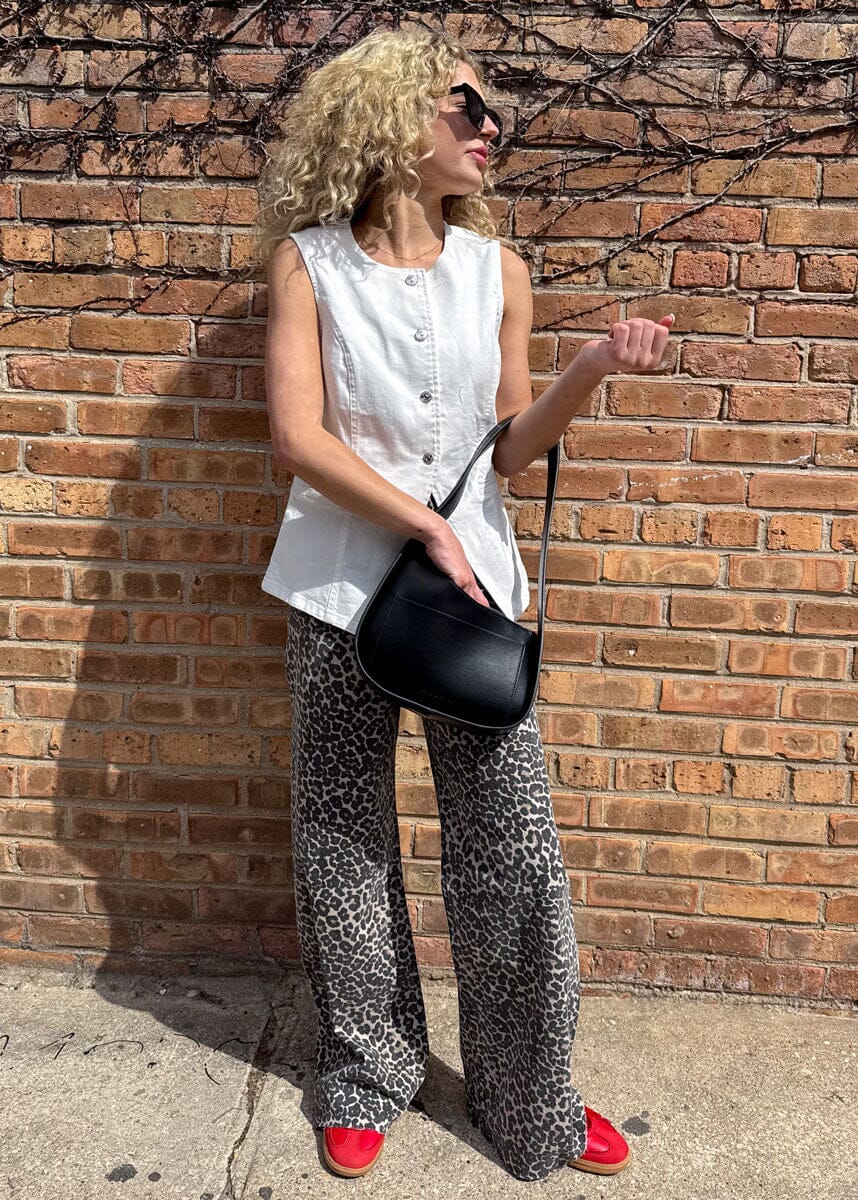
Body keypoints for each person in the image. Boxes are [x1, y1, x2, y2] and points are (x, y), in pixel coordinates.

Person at [255, 25, 673, 1183]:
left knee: (513, 850)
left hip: (471, 600)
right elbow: (296, 438)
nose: (491, 128)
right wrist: (424, 522)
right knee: (344, 840)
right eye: (467, 106)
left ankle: (533, 1094)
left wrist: (589, 370)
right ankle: (365, 1074)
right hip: (338, 590)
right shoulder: (308, 266)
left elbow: (509, 450)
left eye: (494, 112)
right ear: (393, 116)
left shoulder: (500, 272)